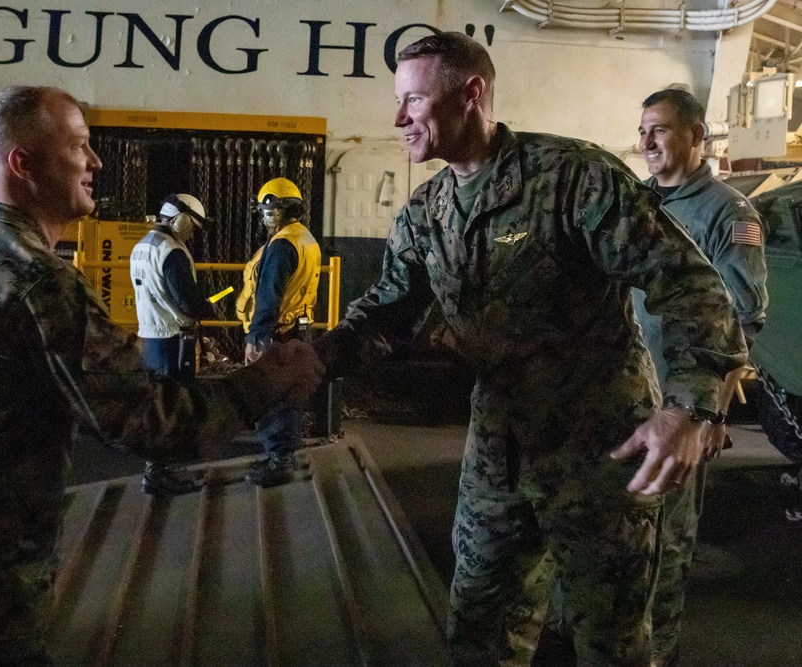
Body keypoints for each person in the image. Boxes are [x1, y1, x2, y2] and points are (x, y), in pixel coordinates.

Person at [0, 85, 323, 666]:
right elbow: (152, 428)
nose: (95, 162)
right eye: (80, 147)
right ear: (24, 163)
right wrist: (265, 383)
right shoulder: (42, 283)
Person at [311, 33, 747, 667]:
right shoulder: (426, 212)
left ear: (472, 94)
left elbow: (691, 285)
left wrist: (687, 408)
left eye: (413, 100)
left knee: (610, 641)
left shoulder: (574, 178)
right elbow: (389, 311)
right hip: (498, 453)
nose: (398, 118)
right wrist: (322, 357)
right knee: (479, 632)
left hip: (601, 453)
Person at [635, 88, 768, 667]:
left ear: (696, 136)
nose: (647, 142)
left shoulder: (727, 214)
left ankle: (656, 649)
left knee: (667, 533)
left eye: (660, 130)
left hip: (681, 401)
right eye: (642, 131)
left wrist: (711, 411)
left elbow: (743, 313)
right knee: (610, 524)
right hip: (623, 392)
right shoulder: (633, 204)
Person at [235, 177, 322, 487]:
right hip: (298, 330)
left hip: (277, 333)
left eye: (270, 212)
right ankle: (282, 455)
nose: (264, 217)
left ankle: (279, 462)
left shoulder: (283, 244)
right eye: (263, 211)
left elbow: (269, 295)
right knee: (289, 396)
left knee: (274, 398)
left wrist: (256, 337)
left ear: (287, 211)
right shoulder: (304, 238)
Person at [130, 193, 217, 496]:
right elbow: (185, 299)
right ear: (180, 218)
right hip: (173, 337)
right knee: (174, 405)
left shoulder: (143, 246)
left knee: (158, 405)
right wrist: (206, 309)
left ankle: (158, 470)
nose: (192, 232)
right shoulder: (172, 251)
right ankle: (161, 473)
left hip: (151, 335)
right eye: (192, 224)